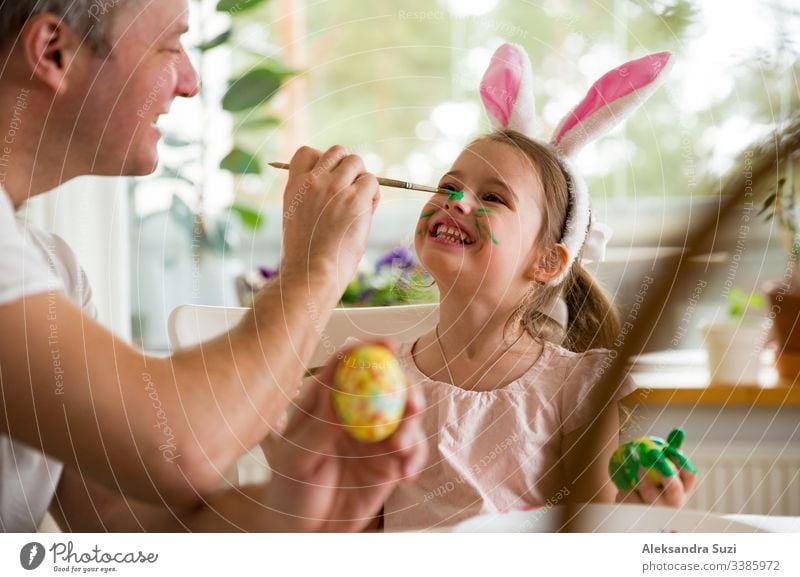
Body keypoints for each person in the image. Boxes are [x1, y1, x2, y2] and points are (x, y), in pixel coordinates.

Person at [0, 0, 426, 532]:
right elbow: (179, 448)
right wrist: (316, 268)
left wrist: (291, 506)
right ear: (53, 52)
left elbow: (118, 529)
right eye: (170, 46)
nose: (189, 83)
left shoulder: (49, 267)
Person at [379, 45, 698, 531]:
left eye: (491, 196)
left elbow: (591, 538)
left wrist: (639, 515)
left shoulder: (576, 388)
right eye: (448, 187)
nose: (456, 201)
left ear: (547, 261)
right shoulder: (384, 380)